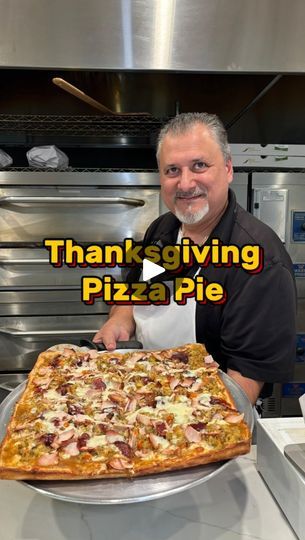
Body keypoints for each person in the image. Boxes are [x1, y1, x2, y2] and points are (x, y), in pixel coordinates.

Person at [93, 112, 296, 405]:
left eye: (199, 165)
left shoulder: (259, 262)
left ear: (227, 169)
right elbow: (134, 291)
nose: (186, 184)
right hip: (142, 393)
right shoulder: (164, 229)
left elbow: (244, 386)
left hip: (203, 418)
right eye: (172, 170)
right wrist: (121, 318)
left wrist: (170, 420)